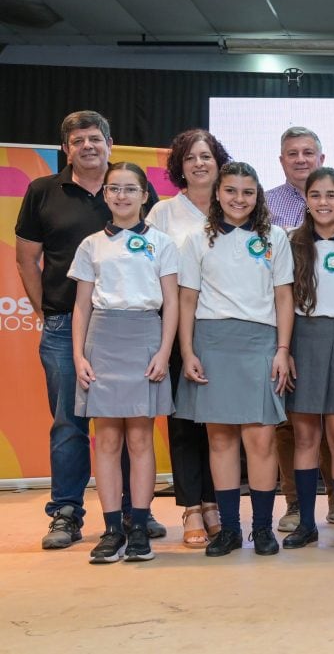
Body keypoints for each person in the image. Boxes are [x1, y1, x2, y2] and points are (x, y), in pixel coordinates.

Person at [15, 110, 164, 550]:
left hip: (131, 330)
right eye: (77, 140)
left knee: (131, 423)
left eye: (94, 138)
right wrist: (48, 313)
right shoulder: (43, 191)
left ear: (109, 143)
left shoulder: (131, 189)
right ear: (66, 149)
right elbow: (26, 258)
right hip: (67, 324)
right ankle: (66, 512)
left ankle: (137, 513)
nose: (87, 146)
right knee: (69, 422)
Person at [175, 162, 295, 558]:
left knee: (260, 439)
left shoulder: (275, 237)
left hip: (260, 342)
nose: (239, 199)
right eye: (231, 191)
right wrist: (189, 351)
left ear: (258, 195)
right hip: (212, 342)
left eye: (247, 192)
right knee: (221, 439)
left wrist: (281, 349)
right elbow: (187, 300)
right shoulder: (197, 239)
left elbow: (283, 298)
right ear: (218, 193)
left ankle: (262, 529)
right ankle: (229, 529)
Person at [69, 162, 179, 563]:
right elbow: (81, 306)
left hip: (145, 336)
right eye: (114, 189)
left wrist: (164, 352)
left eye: (130, 189)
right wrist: (79, 354)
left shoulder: (163, 243)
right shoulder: (91, 244)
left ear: (145, 195)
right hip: (103, 339)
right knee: (108, 439)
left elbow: (171, 305)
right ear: (105, 194)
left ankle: (139, 527)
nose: (121, 196)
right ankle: (112, 528)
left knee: (139, 438)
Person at [265, 126, 334, 533]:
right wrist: (285, 348)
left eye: (331, 195)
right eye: (315, 195)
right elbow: (285, 301)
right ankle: (305, 521)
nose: (323, 202)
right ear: (305, 202)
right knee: (305, 436)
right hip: (303, 339)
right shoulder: (291, 242)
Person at [147, 128, 230, 548]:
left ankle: (216, 502)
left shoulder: (233, 206)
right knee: (182, 421)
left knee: (219, 420)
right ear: (180, 167)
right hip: (176, 324)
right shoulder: (163, 213)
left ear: (219, 161)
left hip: (223, 329)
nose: (200, 163)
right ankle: (191, 506)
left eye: (207, 156)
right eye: (191, 158)